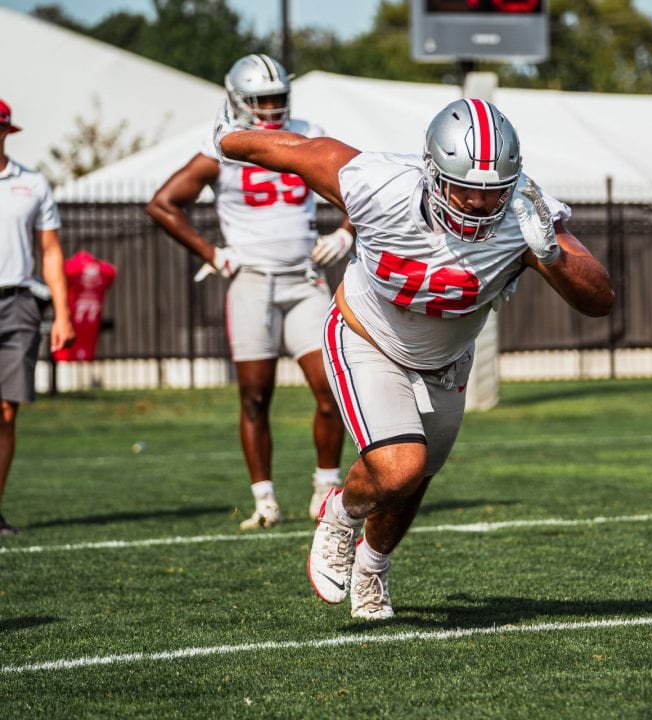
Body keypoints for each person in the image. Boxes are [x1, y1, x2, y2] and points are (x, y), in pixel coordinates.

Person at [214, 96, 614, 619]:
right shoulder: (379, 185)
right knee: (401, 465)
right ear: (432, 172)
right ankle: (338, 514)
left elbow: (600, 300)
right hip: (367, 338)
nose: (476, 204)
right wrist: (225, 140)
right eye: (465, 189)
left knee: (416, 478)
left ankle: (372, 568)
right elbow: (296, 149)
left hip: (447, 358)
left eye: (490, 192)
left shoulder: (526, 214)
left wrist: (552, 256)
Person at [147, 55, 352, 530]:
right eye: (260, 99)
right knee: (255, 397)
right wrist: (212, 254)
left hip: (304, 278)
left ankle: (325, 487)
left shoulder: (307, 130)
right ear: (237, 99)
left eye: (277, 98)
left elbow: (357, 186)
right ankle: (265, 499)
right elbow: (163, 203)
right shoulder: (222, 143)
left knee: (332, 391)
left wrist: (345, 232)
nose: (270, 108)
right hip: (252, 281)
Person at [0, 98, 76, 535]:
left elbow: (50, 251)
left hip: (19, 303)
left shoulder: (31, 183)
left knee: (6, 413)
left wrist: (62, 314)